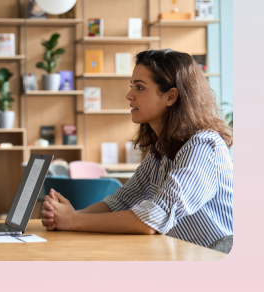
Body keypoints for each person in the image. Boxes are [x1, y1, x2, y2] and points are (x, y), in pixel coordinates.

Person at [41, 49, 233, 247]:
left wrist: (72, 221)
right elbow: (120, 202)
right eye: (132, 86)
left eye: (139, 87)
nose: (129, 95)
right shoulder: (162, 149)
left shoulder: (204, 146)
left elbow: (153, 218)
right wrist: (68, 215)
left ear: (171, 96)